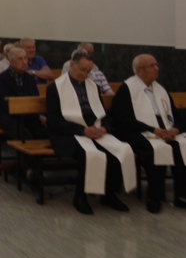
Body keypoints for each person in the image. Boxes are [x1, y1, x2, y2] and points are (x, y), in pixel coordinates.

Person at [112, 54, 186, 214]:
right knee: (155, 149)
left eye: (156, 65)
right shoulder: (127, 88)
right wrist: (154, 130)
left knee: (183, 147)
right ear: (140, 70)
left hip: (165, 130)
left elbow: (178, 118)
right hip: (138, 131)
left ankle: (183, 197)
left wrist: (175, 130)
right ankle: (154, 196)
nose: (157, 68)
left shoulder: (161, 90)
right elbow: (122, 119)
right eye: (152, 65)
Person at [47, 51, 136, 215]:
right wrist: (82, 130)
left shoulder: (93, 86)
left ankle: (108, 194)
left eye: (88, 71)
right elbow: (54, 121)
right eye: (82, 70)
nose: (85, 74)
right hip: (68, 133)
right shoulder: (55, 88)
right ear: (72, 66)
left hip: (94, 129)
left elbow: (104, 114)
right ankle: (80, 196)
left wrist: (105, 128)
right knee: (90, 154)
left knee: (120, 150)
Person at [0, 47, 46, 139]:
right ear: (12, 61)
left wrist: (38, 116)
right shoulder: (3, 78)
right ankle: (26, 152)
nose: (24, 62)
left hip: (28, 114)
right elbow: (6, 102)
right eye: (20, 59)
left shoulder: (30, 79)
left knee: (43, 132)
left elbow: (35, 99)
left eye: (25, 58)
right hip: (8, 115)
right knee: (25, 135)